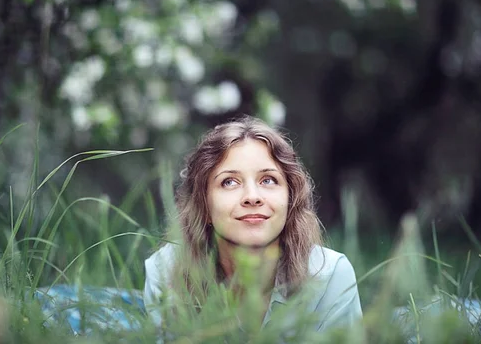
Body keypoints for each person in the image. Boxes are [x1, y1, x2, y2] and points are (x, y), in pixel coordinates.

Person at [143, 115, 362, 336]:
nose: (252, 197)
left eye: (268, 180)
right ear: (204, 205)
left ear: (290, 199)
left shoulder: (330, 276)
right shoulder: (166, 272)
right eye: (229, 182)